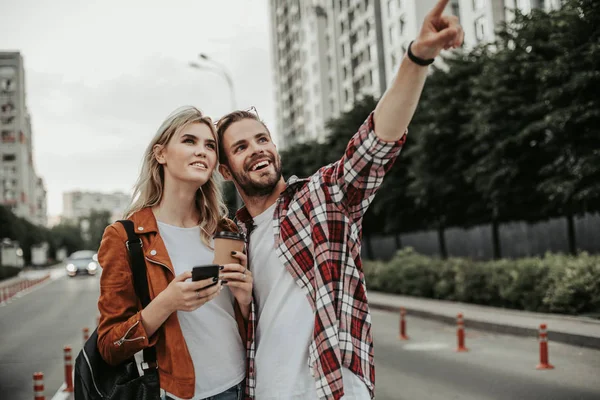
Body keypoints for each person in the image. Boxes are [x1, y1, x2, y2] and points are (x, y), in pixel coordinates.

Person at [214, 1, 464, 399]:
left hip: (330, 389)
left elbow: (376, 142)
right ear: (226, 170)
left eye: (262, 139)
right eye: (241, 147)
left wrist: (418, 58)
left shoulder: (323, 196)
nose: (257, 150)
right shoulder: (231, 238)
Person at [97, 106, 253, 400]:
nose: (202, 151)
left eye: (209, 145)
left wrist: (245, 301)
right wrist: (166, 303)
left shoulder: (224, 228)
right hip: (179, 393)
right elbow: (109, 345)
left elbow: (242, 318)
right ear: (161, 154)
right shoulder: (125, 237)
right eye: (189, 141)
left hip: (242, 382)